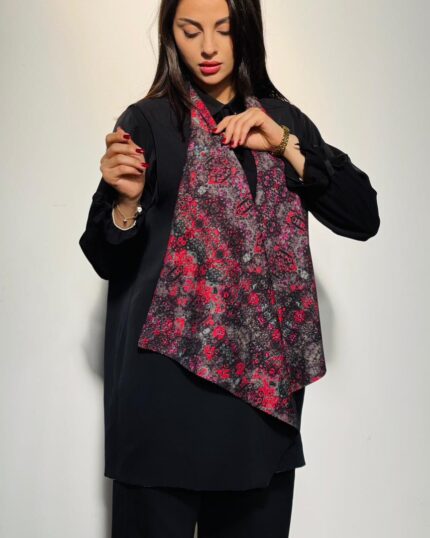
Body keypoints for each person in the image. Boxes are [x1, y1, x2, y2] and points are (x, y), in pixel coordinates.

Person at [78, 0, 380, 536]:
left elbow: (362, 216)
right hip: (163, 394)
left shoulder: (281, 121)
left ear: (246, 29)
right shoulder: (148, 121)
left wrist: (285, 147)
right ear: (171, 34)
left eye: (223, 29)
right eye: (190, 30)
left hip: (260, 407)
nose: (209, 47)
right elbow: (106, 257)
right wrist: (125, 203)